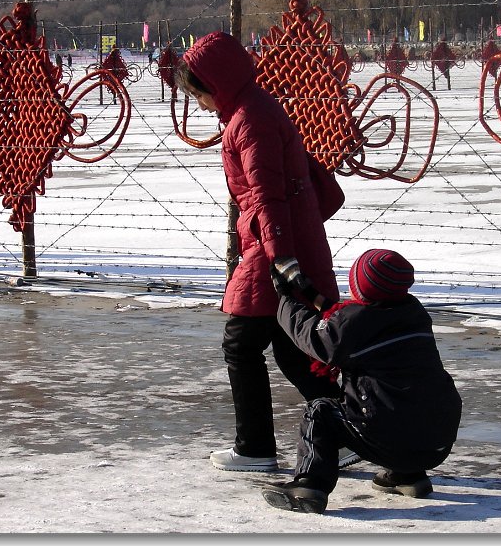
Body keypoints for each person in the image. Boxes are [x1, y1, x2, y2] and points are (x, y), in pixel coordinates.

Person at [173, 31, 353, 472]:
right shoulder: (252, 108)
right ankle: (348, 434)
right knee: (292, 346)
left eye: (198, 93)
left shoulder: (248, 120)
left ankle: (255, 448)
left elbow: (266, 195)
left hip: (274, 243)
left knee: (241, 343)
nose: (198, 103)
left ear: (216, 84)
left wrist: (281, 258)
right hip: (284, 236)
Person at [262, 249, 463, 514]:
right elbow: (342, 320)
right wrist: (310, 293)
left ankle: (310, 485)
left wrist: (285, 299)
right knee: (406, 403)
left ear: (360, 286)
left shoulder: (355, 324)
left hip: (387, 439)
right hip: (437, 440)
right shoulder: (414, 313)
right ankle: (409, 475)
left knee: (319, 412)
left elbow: (313, 335)